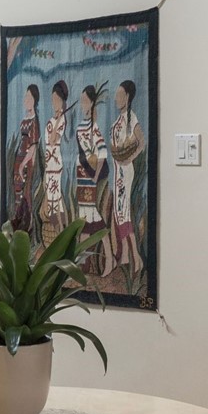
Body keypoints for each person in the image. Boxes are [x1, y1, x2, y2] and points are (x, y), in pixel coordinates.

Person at [108, 78, 144, 283]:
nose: (116, 98)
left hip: (125, 171)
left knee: (124, 212)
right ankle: (125, 256)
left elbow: (141, 142)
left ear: (127, 97)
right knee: (118, 212)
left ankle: (136, 257)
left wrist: (130, 158)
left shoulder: (132, 118)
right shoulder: (118, 121)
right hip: (117, 171)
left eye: (120, 95)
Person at [74, 84, 112, 275]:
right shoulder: (81, 125)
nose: (82, 104)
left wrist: (96, 176)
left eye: (85, 101)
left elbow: (102, 152)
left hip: (89, 177)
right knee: (84, 219)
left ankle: (110, 258)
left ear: (91, 103)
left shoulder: (93, 127)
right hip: (81, 176)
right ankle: (83, 262)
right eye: (81, 101)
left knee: (92, 215)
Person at [8, 82, 41, 235]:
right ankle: (17, 226)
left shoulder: (34, 122)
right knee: (17, 194)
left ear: (35, 100)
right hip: (19, 159)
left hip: (27, 163)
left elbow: (33, 147)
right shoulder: (25, 120)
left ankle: (27, 228)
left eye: (29, 97)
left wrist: (23, 165)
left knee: (25, 195)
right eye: (25, 97)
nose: (26, 100)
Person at [39, 80, 70, 241]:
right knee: (50, 201)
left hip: (56, 166)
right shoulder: (52, 120)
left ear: (62, 101)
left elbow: (52, 140)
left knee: (55, 200)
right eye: (52, 100)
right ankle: (57, 236)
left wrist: (59, 117)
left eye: (56, 100)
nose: (54, 103)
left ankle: (61, 233)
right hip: (48, 165)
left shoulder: (62, 120)